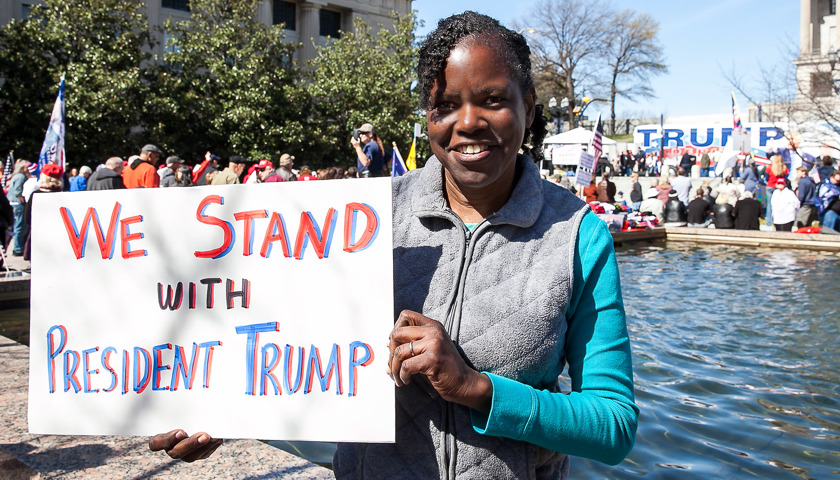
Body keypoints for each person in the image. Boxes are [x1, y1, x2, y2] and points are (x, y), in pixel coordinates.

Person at [150, 11, 638, 477]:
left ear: (527, 107)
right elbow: (280, 352)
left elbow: (613, 426)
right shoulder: (358, 220)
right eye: (444, 106)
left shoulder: (576, 233)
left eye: (492, 99)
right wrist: (221, 406)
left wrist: (479, 389)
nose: (467, 122)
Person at [5, 160, 30, 255]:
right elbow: (18, 191)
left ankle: (18, 247)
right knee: (20, 226)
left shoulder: (17, 176)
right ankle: (18, 248)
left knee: (18, 226)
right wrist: (23, 201)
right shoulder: (20, 177)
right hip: (18, 204)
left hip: (14, 203)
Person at [764, 154, 789, 226]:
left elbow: (766, 178)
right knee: (779, 205)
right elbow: (786, 178)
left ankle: (768, 222)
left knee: (769, 205)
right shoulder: (784, 168)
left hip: (770, 187)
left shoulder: (770, 168)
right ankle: (779, 221)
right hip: (779, 188)